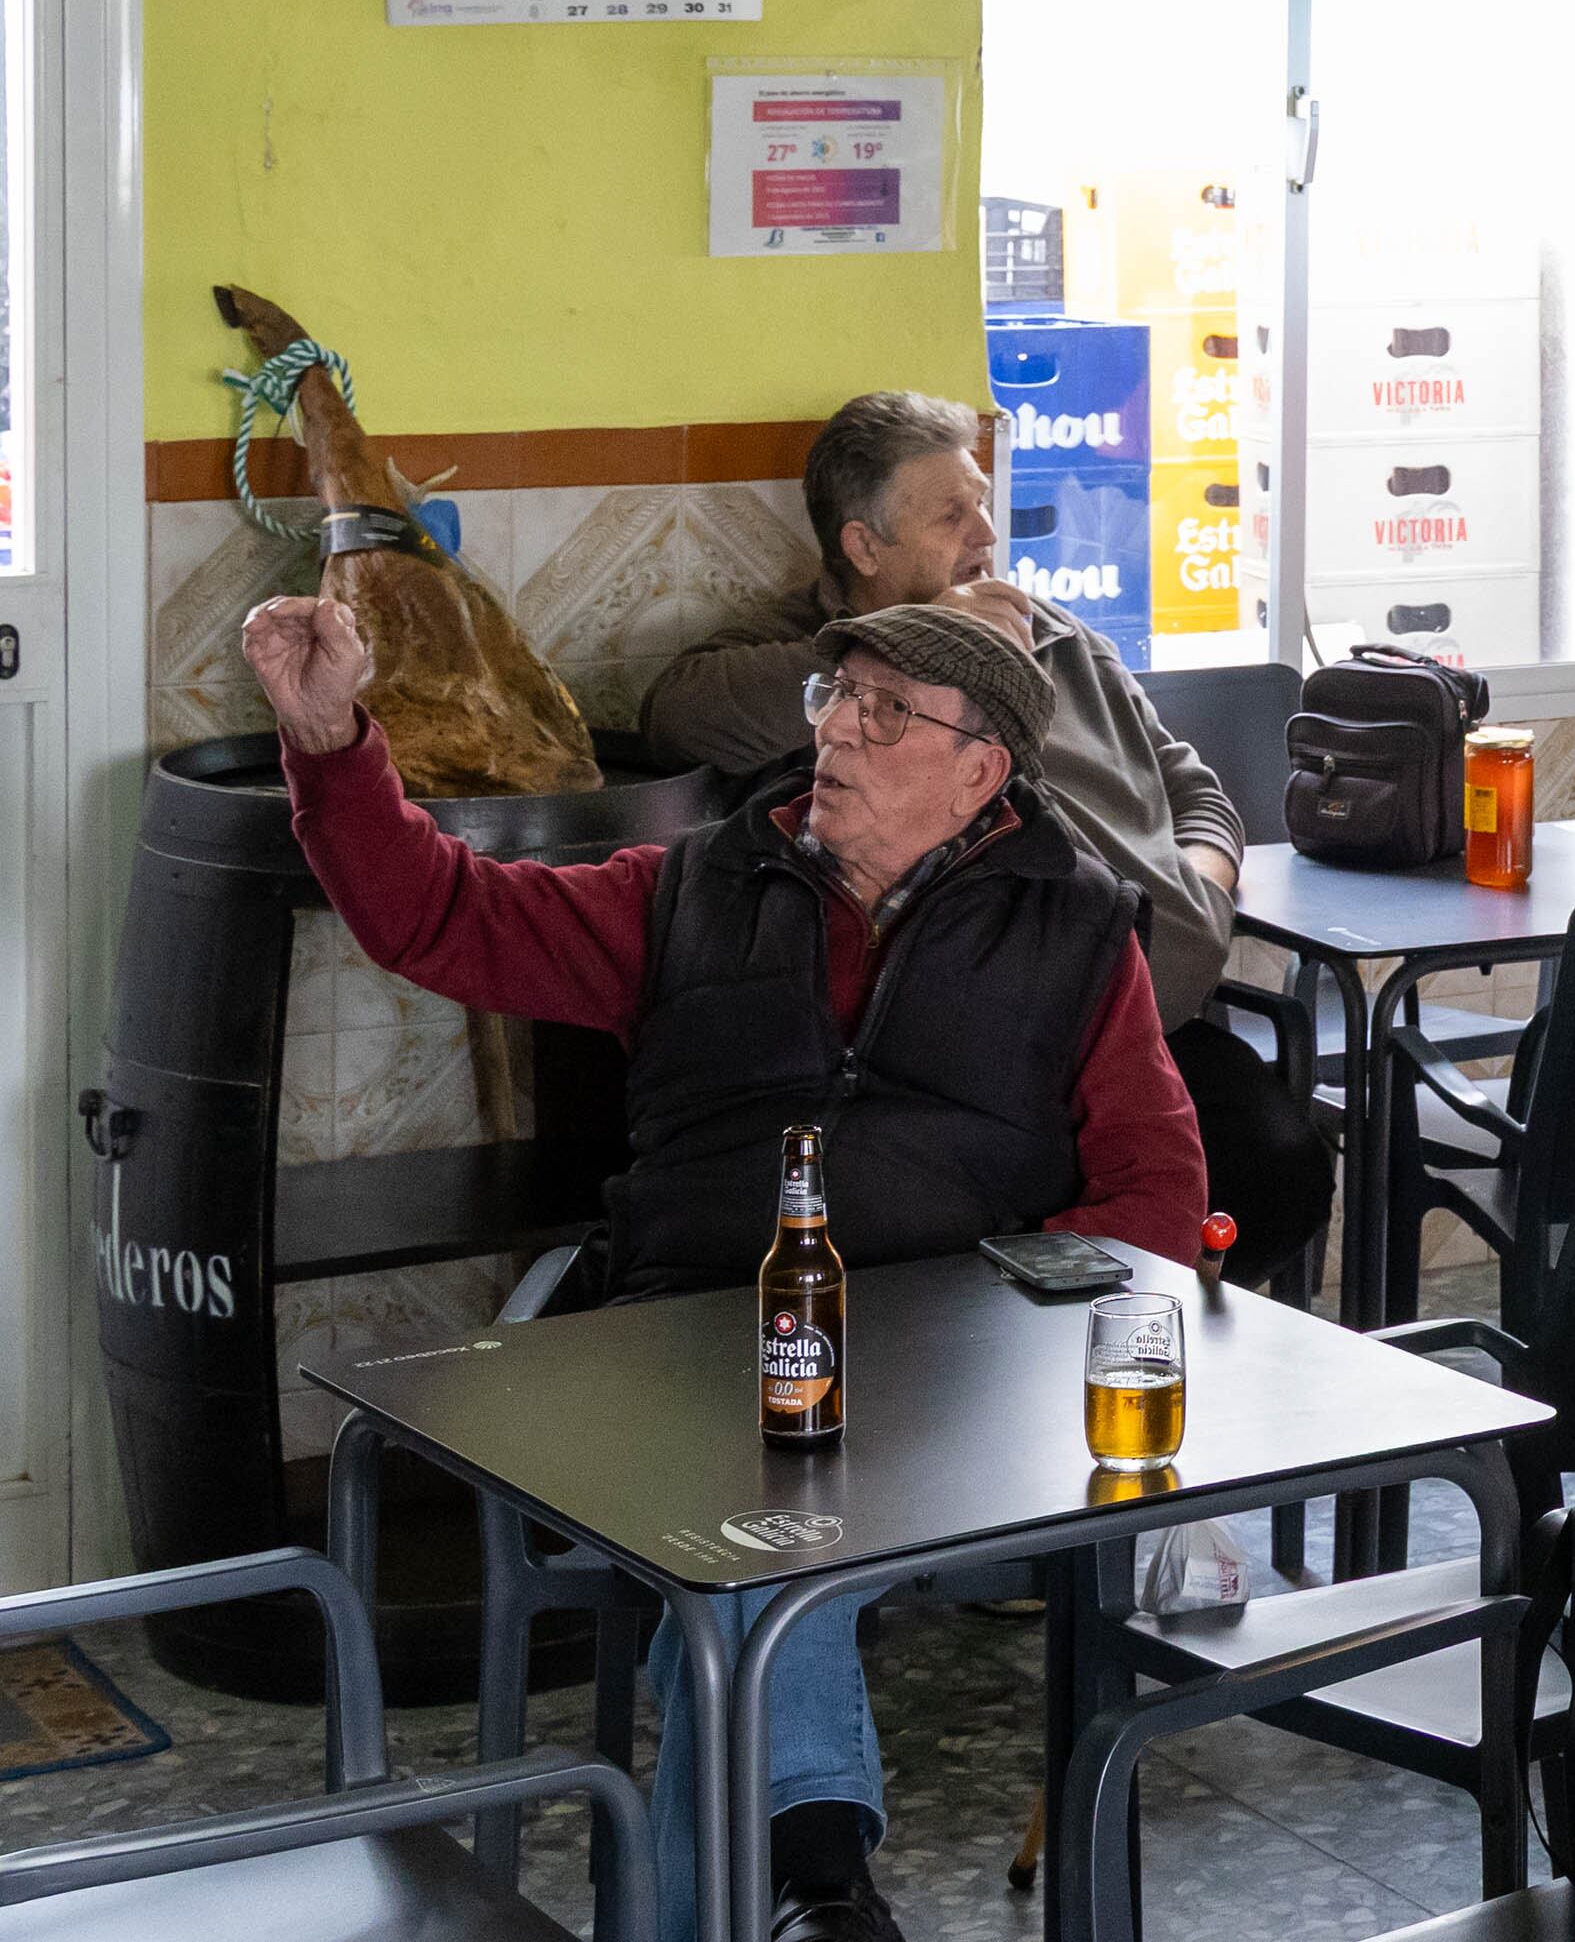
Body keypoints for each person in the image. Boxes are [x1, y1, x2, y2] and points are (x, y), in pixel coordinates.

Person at [243, 587, 1206, 1942]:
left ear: (980, 770)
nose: (840, 733)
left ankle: (804, 1891)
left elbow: (1155, 1190)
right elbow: (436, 919)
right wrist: (331, 736)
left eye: (886, 711)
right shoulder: (693, 886)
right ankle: (817, 1883)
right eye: (835, 699)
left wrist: (1009, 1327)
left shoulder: (1074, 931)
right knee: (755, 1513)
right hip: (691, 1349)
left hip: (954, 1376)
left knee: (739, 1564)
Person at [645, 391, 1330, 1295]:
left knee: (1280, 1165)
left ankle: (1159, 1366)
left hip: (1153, 1013)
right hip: (970, 1054)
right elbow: (673, 715)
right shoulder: (810, 663)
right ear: (863, 546)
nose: (984, 534)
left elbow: (1190, 782)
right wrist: (937, 637)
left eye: (981, 504)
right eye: (950, 512)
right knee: (1029, 1213)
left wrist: (1198, 883)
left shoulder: (1057, 632)